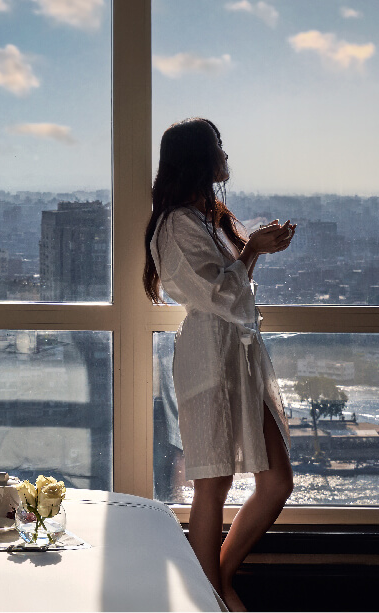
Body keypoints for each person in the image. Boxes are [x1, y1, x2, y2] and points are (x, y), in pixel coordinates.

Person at [142, 117, 296, 611]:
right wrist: (252, 250)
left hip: (239, 356)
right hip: (208, 357)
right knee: (212, 481)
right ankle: (212, 597)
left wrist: (255, 249)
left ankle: (212, 584)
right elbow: (216, 294)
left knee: (276, 481)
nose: (225, 154)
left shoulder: (211, 216)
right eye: (218, 146)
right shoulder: (174, 225)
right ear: (199, 158)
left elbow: (233, 292)